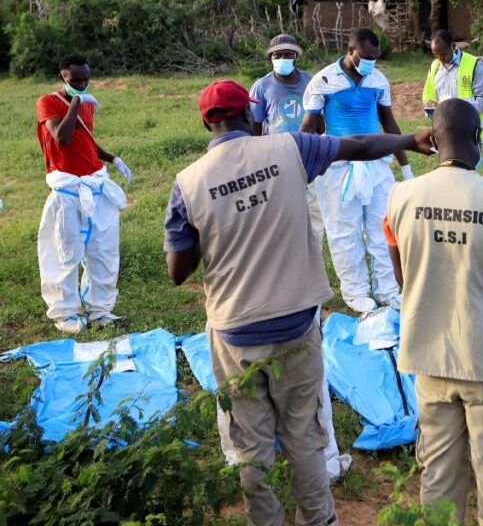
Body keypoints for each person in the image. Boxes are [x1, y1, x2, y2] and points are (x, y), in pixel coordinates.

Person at [163, 79, 433, 526]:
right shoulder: (288, 149)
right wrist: (408, 140)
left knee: (250, 444)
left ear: (205, 123)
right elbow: (359, 143)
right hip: (295, 323)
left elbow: (178, 272)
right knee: (304, 434)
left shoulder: (187, 184)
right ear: (250, 117)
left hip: (235, 331)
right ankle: (318, 519)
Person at [383, 99, 483, 525]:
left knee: (437, 472)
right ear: (478, 137)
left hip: (430, 357)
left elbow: (404, 279)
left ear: (432, 140)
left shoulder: (400, 197)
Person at [300, 28, 413, 314]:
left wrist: (406, 168)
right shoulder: (323, 80)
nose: (370, 63)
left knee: (382, 227)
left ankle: (387, 289)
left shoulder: (378, 80)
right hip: (337, 167)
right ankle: (355, 291)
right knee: (343, 230)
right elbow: (308, 130)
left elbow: (390, 125)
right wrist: (299, 168)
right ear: (349, 50)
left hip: (375, 164)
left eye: (375, 58)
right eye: (365, 57)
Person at [36, 54, 132, 334]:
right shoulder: (48, 102)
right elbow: (62, 136)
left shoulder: (86, 105)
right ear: (62, 76)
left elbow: (85, 140)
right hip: (68, 190)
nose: (81, 83)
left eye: (85, 79)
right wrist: (76, 103)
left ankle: (99, 310)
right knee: (65, 252)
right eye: (75, 79)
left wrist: (112, 158)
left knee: (102, 250)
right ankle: (65, 313)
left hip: (95, 184)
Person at [250, 34, 325, 240]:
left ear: (295, 56)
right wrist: (256, 156)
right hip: (276, 155)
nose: (282, 58)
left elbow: (319, 118)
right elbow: (255, 126)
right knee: (282, 206)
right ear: (271, 58)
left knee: (313, 208)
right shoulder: (262, 86)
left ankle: (313, 252)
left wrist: (324, 142)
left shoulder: (311, 81)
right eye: (277, 55)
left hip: (309, 151)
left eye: (287, 54)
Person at [421, 29, 483, 144]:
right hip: (445, 132)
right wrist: (431, 109)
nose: (440, 59)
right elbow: (428, 96)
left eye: (444, 54)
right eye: (436, 55)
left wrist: (456, 106)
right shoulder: (434, 67)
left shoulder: (474, 65)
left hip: (470, 133)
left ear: (453, 46)